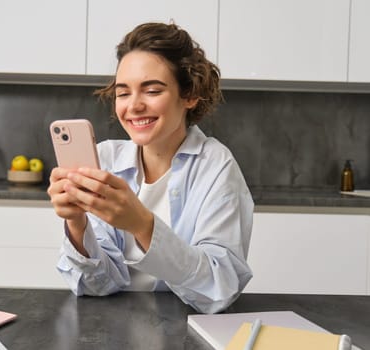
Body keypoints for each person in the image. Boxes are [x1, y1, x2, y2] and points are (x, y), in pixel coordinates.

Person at [47, 22, 253, 314]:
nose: (134, 106)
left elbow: (218, 290)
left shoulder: (217, 167)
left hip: (186, 330)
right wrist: (77, 224)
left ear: (190, 95)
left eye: (152, 90)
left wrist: (141, 225)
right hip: (113, 329)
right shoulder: (104, 159)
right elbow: (98, 285)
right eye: (123, 93)